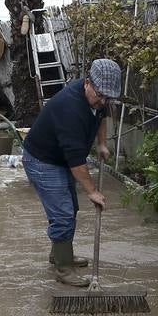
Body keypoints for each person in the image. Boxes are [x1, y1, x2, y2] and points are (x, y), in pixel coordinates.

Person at [21, 58, 122, 286]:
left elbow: (101, 115)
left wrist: (102, 144)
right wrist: (92, 191)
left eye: (108, 97)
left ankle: (59, 254)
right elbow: (76, 161)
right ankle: (63, 269)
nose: (103, 101)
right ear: (87, 83)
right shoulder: (70, 108)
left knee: (69, 209)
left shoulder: (97, 96)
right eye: (100, 95)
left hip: (59, 158)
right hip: (42, 160)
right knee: (63, 214)